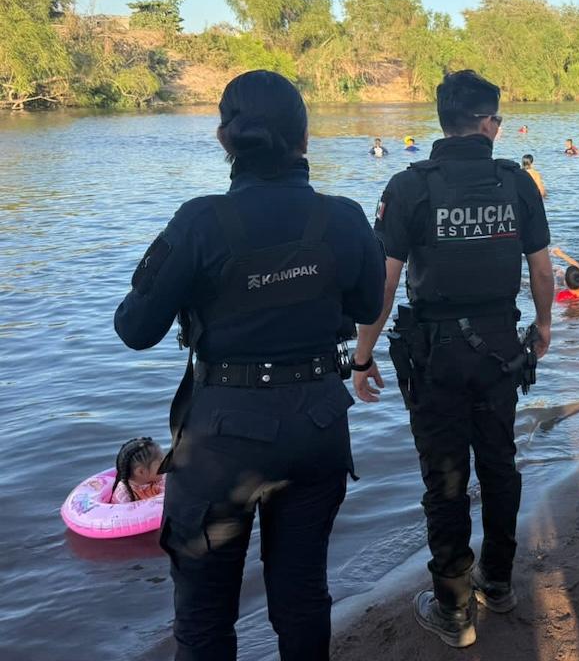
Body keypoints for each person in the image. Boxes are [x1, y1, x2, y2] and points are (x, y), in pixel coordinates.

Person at [113, 70, 385, 660]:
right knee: (303, 595)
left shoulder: (199, 221)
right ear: (304, 140)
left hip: (221, 444)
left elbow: (134, 329)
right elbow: (367, 304)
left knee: (206, 619)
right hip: (316, 427)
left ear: (224, 138)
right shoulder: (343, 217)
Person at [353, 70, 552, 648]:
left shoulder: (410, 186)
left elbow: (383, 283)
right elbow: (541, 270)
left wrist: (362, 356)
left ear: (443, 121)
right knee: (499, 465)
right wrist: (543, 326)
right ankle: (500, 581)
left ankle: (454, 609)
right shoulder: (517, 184)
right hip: (500, 351)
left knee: (444, 480)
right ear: (490, 123)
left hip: (433, 355)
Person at [110, 437, 166, 504]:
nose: (166, 464)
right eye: (161, 462)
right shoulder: (123, 494)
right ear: (141, 471)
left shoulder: (160, 480)